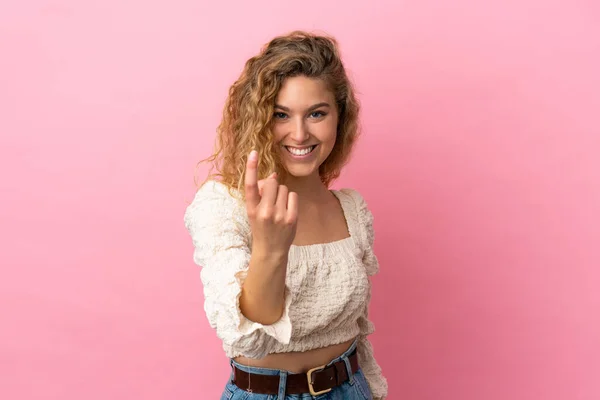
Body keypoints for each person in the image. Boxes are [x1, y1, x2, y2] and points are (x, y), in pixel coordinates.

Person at [184, 30, 388, 399]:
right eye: (281, 114)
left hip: (350, 388)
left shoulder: (352, 209)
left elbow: (356, 331)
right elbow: (252, 335)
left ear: (339, 118)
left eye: (316, 113)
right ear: (260, 118)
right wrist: (270, 246)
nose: (299, 133)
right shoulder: (222, 206)